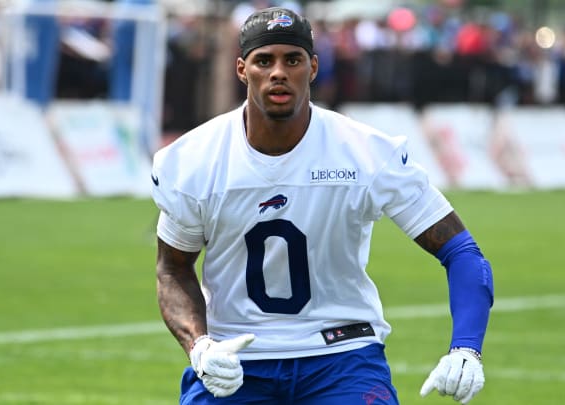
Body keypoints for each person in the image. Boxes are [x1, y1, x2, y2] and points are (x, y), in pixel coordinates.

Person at [151, 6, 494, 404]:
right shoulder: (195, 159)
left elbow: (461, 251)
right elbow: (173, 268)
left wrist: (466, 347)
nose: (278, 72)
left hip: (342, 354)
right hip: (237, 357)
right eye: (264, 60)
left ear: (312, 67)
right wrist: (201, 347)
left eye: (292, 60)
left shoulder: (365, 153)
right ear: (242, 70)